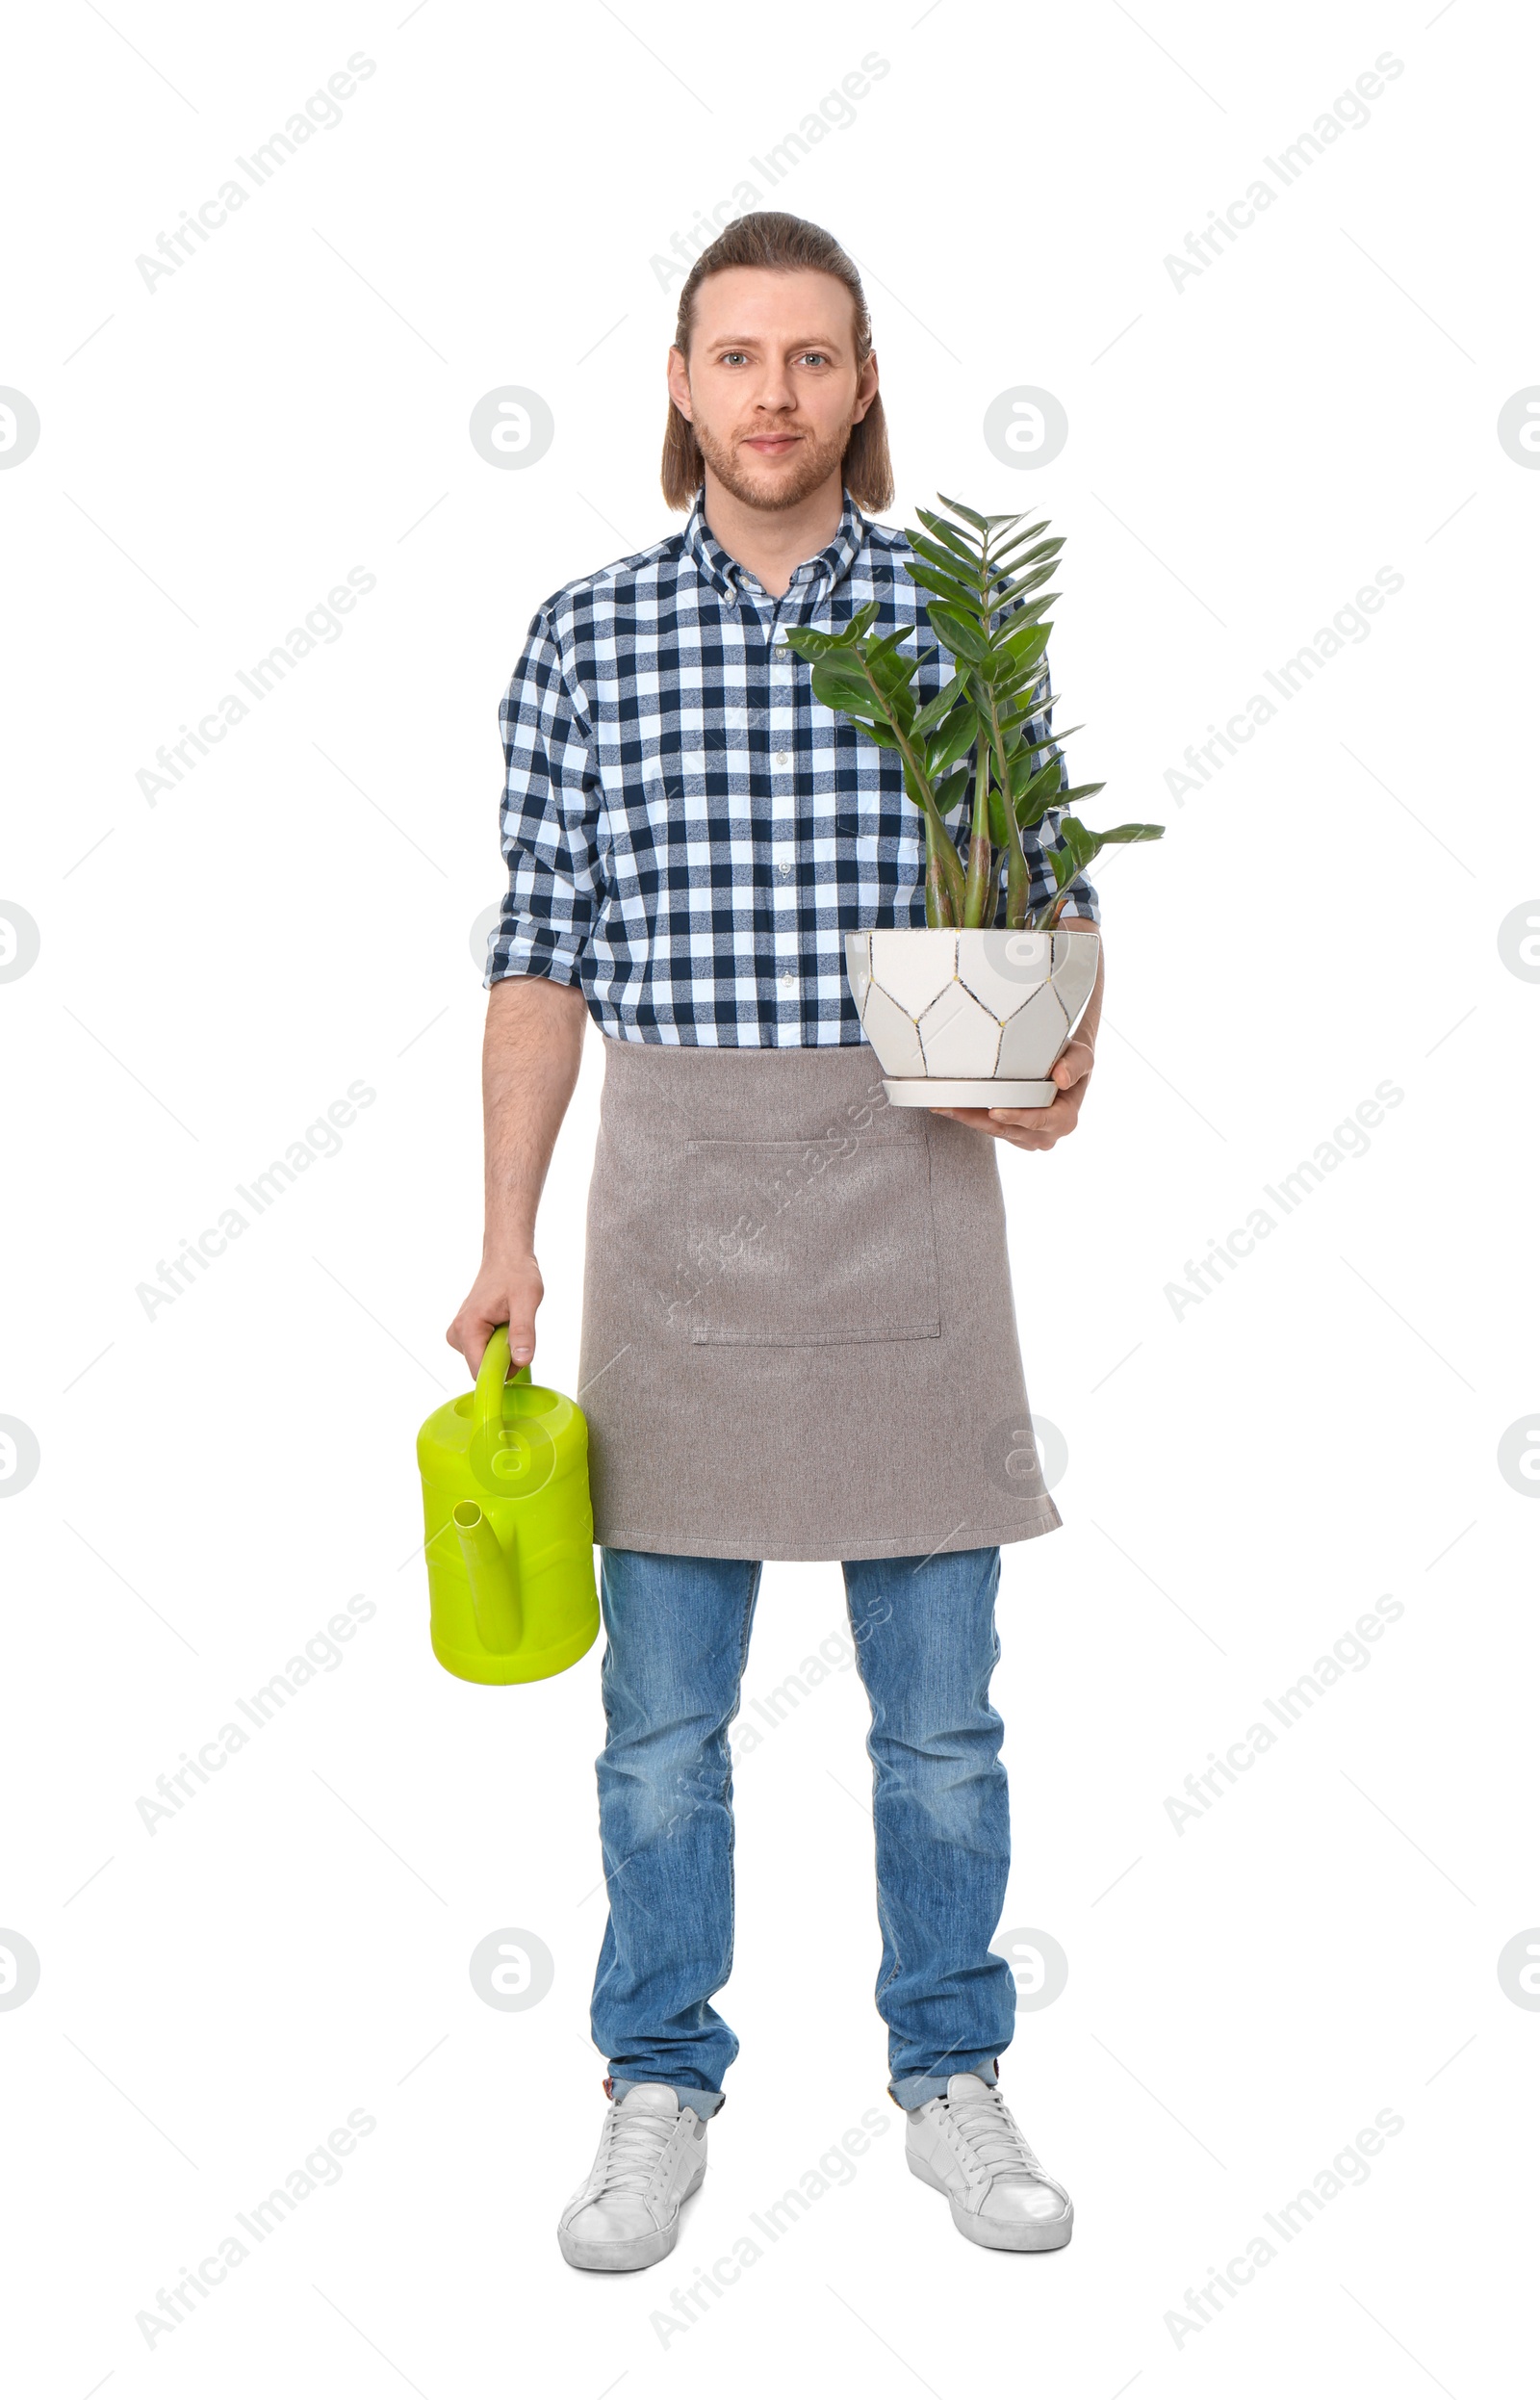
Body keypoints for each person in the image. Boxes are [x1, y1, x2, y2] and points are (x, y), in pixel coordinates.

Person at [448, 211, 1102, 2271]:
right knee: (657, 1728)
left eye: (810, 359)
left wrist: (1069, 1048)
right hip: (671, 1217)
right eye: (735, 357)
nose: (770, 396)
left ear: (862, 384)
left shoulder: (948, 621)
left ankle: (946, 2069)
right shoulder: (582, 634)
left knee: (940, 1719)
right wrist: (504, 1238)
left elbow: (1053, 879)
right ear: (676, 383)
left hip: (905, 1193)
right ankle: (656, 2077)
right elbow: (539, 956)